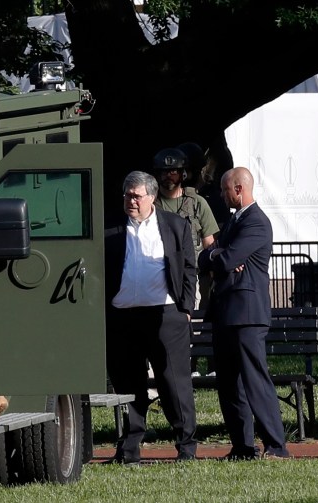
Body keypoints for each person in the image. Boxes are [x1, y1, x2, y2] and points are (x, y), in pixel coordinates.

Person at [104, 170, 198, 465]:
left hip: (166, 316)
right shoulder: (110, 228)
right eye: (127, 195)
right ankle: (129, 449)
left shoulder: (173, 225)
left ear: (152, 197)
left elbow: (189, 268)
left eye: (136, 196)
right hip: (122, 318)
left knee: (174, 382)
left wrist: (185, 308)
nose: (131, 201)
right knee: (128, 385)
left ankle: (186, 447)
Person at [198, 166, 290, 460]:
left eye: (225, 191)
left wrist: (220, 256)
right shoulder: (234, 221)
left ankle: (276, 445)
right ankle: (242, 446)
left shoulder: (256, 222)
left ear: (238, 189)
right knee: (229, 383)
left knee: (254, 380)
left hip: (247, 313)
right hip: (225, 311)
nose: (222, 197)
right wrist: (217, 255)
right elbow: (211, 256)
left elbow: (225, 259)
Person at [152, 146, 220, 379]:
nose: (167, 176)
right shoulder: (150, 204)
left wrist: (212, 274)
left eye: (173, 171)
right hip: (158, 277)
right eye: (163, 171)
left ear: (183, 174)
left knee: (192, 324)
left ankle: (189, 368)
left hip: (193, 277)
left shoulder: (197, 203)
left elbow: (210, 243)